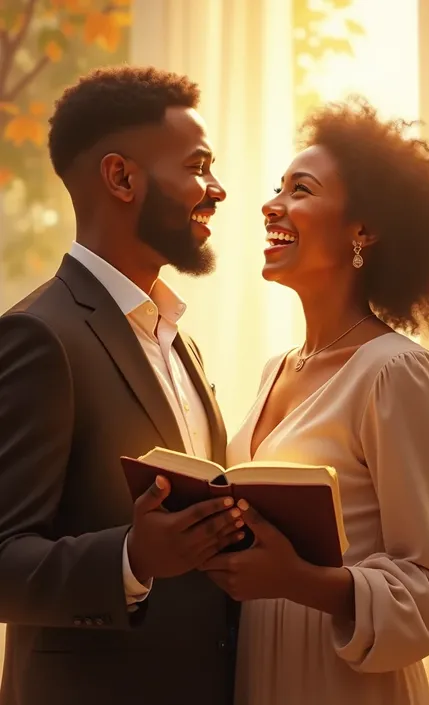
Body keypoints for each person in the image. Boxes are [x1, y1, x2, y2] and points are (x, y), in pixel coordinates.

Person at [201, 97, 429, 705]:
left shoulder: (398, 373)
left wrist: (301, 583)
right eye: (278, 187)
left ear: (363, 230)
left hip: (342, 683)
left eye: (302, 189)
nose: (273, 204)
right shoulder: (275, 371)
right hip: (255, 674)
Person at [0, 66, 243, 705]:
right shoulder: (37, 336)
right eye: (198, 166)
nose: (216, 189)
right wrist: (132, 557)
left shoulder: (177, 339)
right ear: (122, 177)